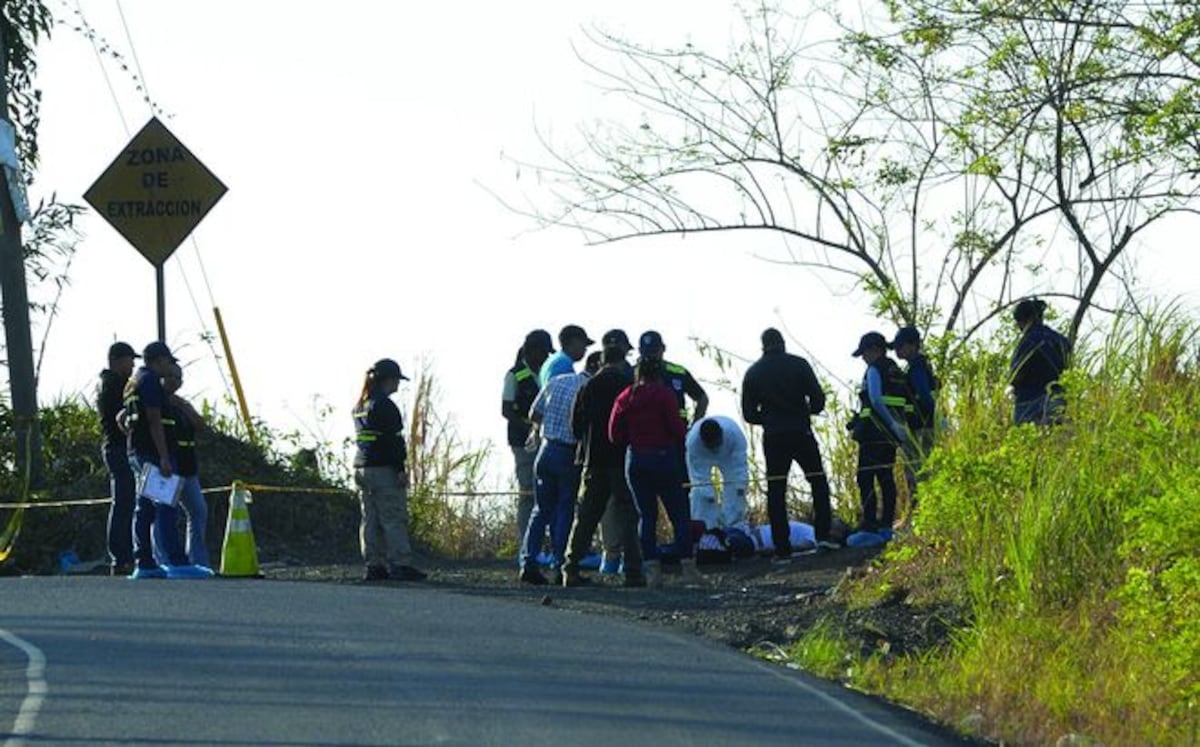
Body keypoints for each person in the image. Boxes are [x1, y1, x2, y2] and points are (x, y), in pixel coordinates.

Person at [741, 328, 838, 559]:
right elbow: (818, 399)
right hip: (800, 430)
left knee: (776, 490)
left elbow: (748, 413)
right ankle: (823, 536)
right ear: (782, 343)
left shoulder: (754, 372)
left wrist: (767, 419)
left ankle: (782, 548)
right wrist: (805, 412)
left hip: (774, 436)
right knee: (818, 481)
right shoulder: (799, 364)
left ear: (763, 345)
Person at [560, 330, 645, 588]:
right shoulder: (627, 387)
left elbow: (575, 424)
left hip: (592, 459)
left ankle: (570, 569)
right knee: (628, 515)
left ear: (601, 362)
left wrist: (586, 442)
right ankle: (632, 571)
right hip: (620, 459)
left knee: (586, 516)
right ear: (620, 362)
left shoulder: (588, 386)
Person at [609, 357, 700, 587]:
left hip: (636, 459)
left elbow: (613, 434)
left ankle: (652, 572)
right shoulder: (664, 394)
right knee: (678, 514)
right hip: (663, 457)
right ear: (658, 374)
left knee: (646, 517)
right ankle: (688, 569)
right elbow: (678, 430)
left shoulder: (626, 396)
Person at [124, 341, 210, 579]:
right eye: (166, 363)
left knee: (146, 507)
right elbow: (153, 420)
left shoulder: (134, 381)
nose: (168, 369)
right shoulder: (150, 380)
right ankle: (176, 561)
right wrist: (163, 456)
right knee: (164, 506)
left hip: (138, 451)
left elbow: (126, 419)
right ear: (158, 361)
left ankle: (145, 562)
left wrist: (134, 438)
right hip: (152, 453)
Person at [352, 358, 426, 582]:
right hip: (384, 469)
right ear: (388, 380)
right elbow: (393, 442)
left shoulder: (360, 406)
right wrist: (400, 469)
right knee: (393, 517)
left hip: (362, 467)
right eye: (397, 380)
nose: (398, 385)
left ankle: (373, 565)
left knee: (370, 518)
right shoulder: (385, 405)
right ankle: (400, 563)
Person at [519, 362, 590, 585]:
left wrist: (544, 428)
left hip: (546, 449)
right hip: (568, 453)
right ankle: (559, 565)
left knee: (540, 510)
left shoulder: (557, 381)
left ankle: (528, 562)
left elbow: (534, 413)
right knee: (565, 510)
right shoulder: (588, 388)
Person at [849, 332, 911, 542]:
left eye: (864, 353)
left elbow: (875, 400)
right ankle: (886, 525)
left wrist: (889, 423)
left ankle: (870, 525)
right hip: (891, 435)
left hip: (873, 431)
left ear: (874, 349)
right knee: (886, 477)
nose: (864, 358)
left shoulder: (875, 369)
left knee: (865, 477)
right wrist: (897, 426)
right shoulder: (896, 370)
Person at [501, 329, 553, 547]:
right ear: (532, 351)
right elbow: (506, 409)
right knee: (527, 493)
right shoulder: (515, 374)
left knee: (547, 492)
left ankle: (543, 543)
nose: (546, 357)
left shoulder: (547, 373)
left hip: (547, 441)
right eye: (543, 352)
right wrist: (529, 426)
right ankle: (526, 544)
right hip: (522, 443)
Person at [158, 363, 211, 569]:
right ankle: (161, 559)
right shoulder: (154, 401)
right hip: (167, 466)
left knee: (198, 510)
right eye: (170, 376)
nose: (174, 381)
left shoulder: (182, 405)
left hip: (188, 467)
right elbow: (124, 418)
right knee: (162, 513)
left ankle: (197, 559)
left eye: (178, 377)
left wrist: (184, 407)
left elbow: (201, 425)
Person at [96, 341, 139, 576]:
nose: (132, 365)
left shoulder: (113, 384)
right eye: (129, 360)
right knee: (124, 502)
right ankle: (121, 556)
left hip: (118, 449)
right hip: (119, 448)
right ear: (117, 360)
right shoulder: (114, 385)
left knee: (125, 502)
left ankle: (123, 556)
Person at [890, 326, 938, 504]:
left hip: (920, 427)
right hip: (922, 425)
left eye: (900, 346)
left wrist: (937, 415)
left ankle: (920, 511)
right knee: (920, 468)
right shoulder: (918, 365)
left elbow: (924, 393)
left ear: (912, 345)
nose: (896, 350)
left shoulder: (917, 366)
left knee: (917, 470)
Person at [1010, 298, 1071, 425]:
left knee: (1028, 441)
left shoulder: (1029, 340)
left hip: (1030, 403)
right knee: (1055, 439)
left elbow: (1015, 376)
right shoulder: (1062, 341)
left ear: (1023, 321)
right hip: (1057, 400)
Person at [685, 415, 750, 530]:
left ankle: (734, 526)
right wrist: (709, 495)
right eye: (711, 446)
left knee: (735, 488)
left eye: (716, 444)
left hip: (729, 456)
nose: (714, 448)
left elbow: (739, 466)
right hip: (702, 457)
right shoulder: (693, 443)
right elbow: (699, 477)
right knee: (701, 495)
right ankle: (706, 529)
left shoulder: (735, 435)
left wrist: (740, 487)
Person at [636, 330, 708, 425]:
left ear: (663, 348)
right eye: (647, 352)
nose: (651, 356)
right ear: (640, 351)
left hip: (677, 431)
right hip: (646, 431)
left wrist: (695, 426)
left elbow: (702, 398)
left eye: (654, 351)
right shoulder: (634, 374)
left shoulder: (678, 372)